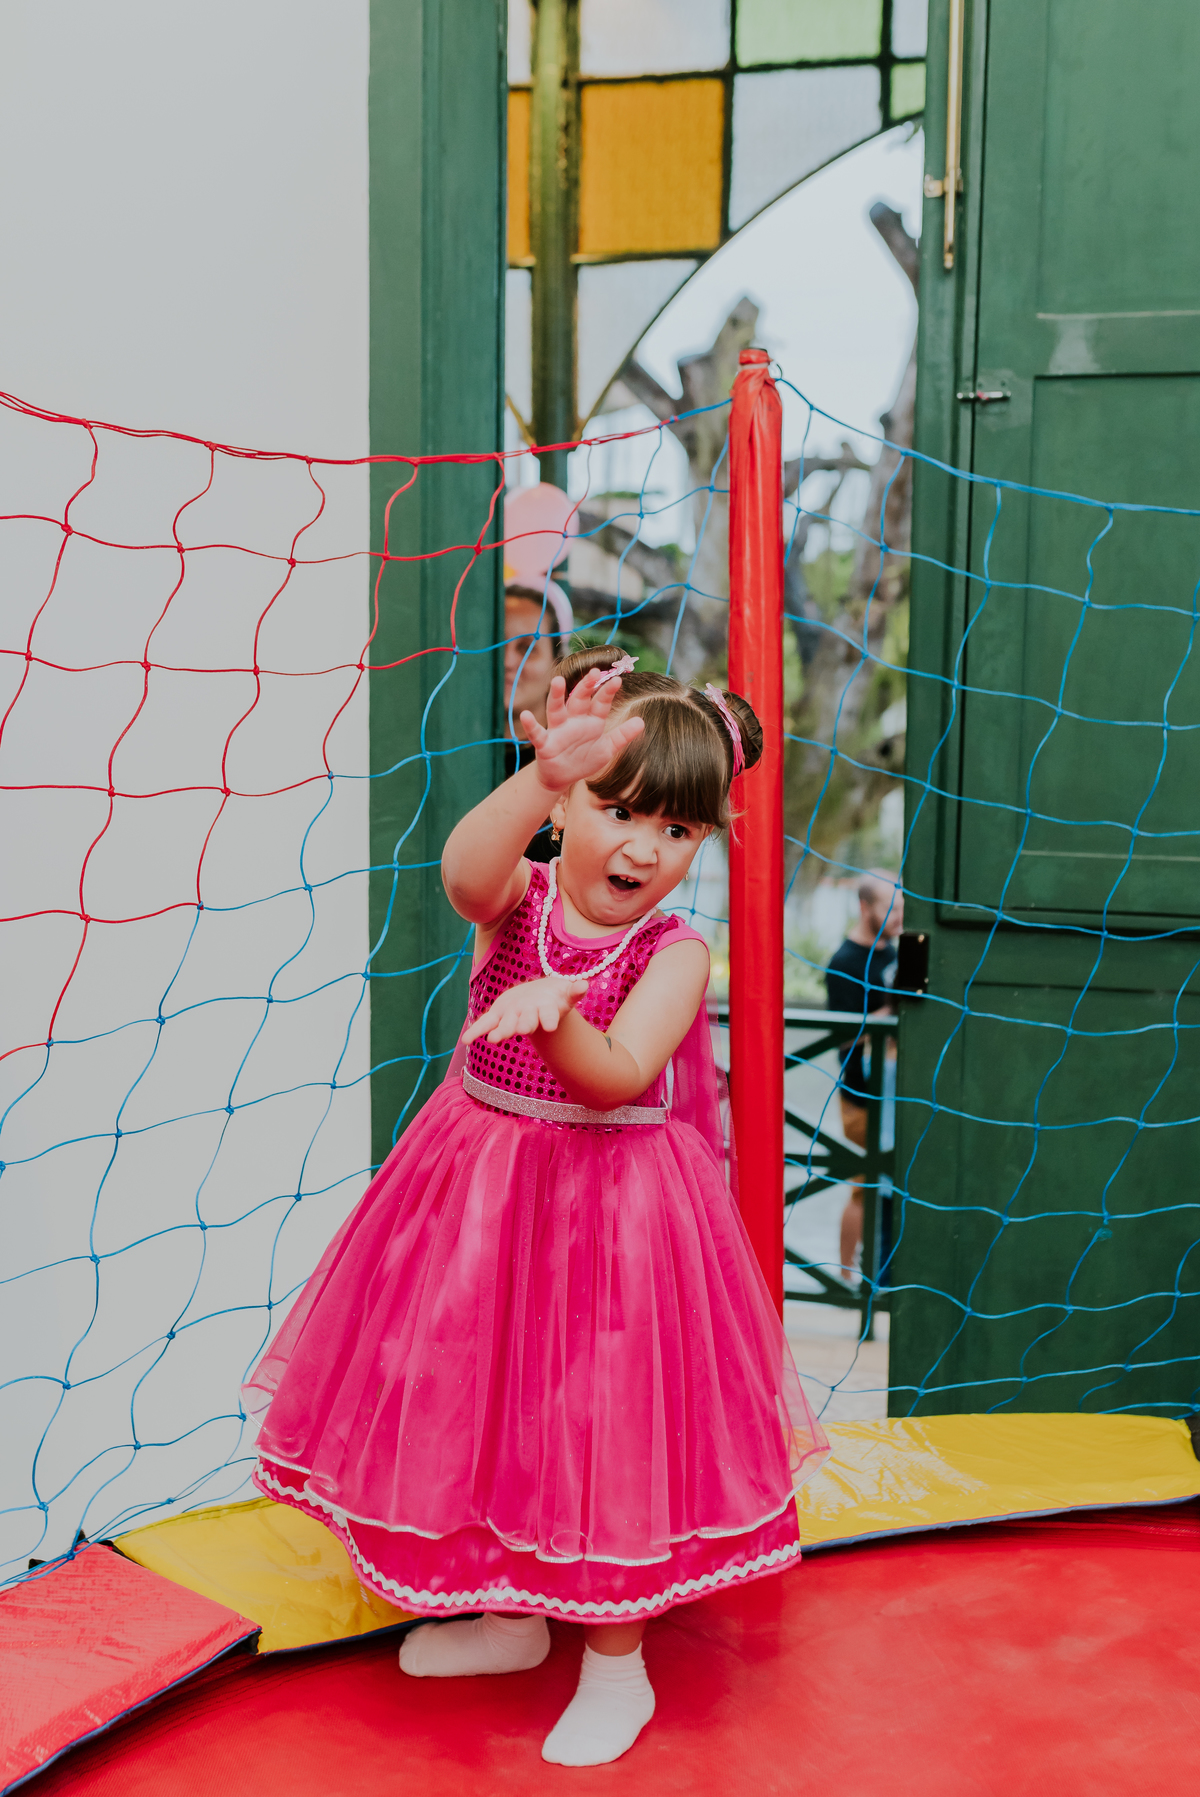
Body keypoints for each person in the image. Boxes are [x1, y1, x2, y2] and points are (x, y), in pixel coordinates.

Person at [245, 644, 828, 1767]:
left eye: (679, 831)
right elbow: (467, 874)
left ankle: (619, 1664)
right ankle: (510, 1616)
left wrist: (555, 1009)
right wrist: (536, 776)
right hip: (477, 1193)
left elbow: (615, 1073)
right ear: (574, 804)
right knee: (480, 1401)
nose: (644, 848)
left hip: (611, 1219)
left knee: (601, 1427)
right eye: (619, 810)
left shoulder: (675, 951)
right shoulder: (519, 890)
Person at [824, 870, 903, 1279]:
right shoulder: (844, 963)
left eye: (901, 908)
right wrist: (890, 1016)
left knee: (890, 1186)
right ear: (864, 907)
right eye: (889, 908)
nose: (896, 917)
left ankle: (878, 1274)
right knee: (863, 1186)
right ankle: (844, 1277)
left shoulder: (894, 952)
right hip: (860, 1093)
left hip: (897, 1091)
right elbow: (842, 1036)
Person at [503, 581, 573, 862]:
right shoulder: (454, 752)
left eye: (526, 649)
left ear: (556, 663)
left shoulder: (575, 762)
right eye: (497, 644)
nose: (508, 661)